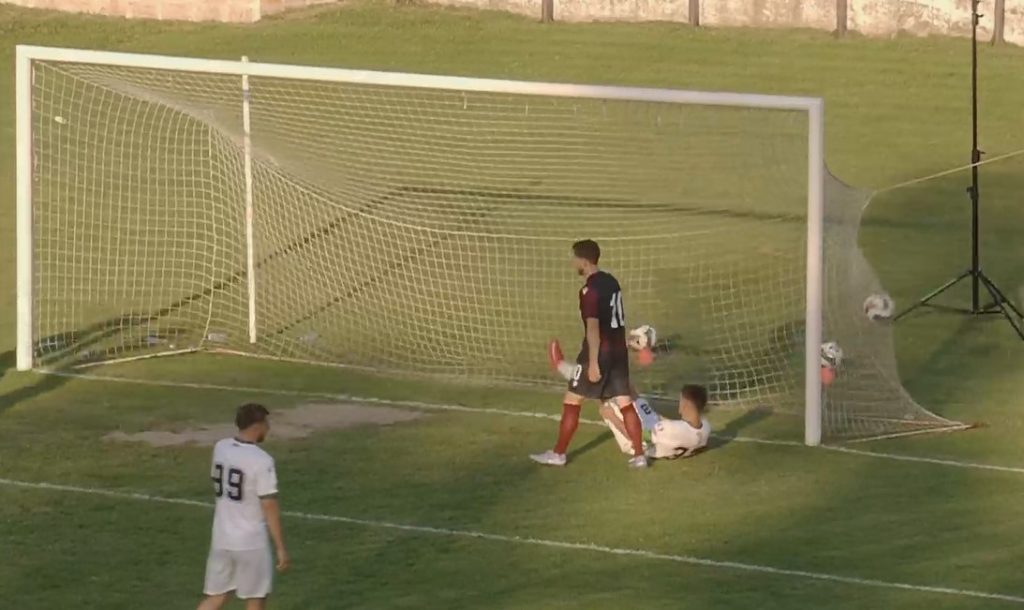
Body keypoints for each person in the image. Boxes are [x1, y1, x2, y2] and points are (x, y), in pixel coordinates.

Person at [530, 239, 648, 469]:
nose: (572, 263)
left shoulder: (589, 291)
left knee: (572, 400)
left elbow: (593, 329)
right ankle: (639, 455)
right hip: (618, 353)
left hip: (599, 352)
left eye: (574, 258)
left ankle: (558, 454)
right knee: (625, 402)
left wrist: (593, 362)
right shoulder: (612, 281)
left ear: (584, 261)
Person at [197, 403, 289, 610]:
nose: (268, 428)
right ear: (257, 426)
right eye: (266, 423)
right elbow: (269, 505)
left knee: (217, 596)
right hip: (250, 541)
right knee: (256, 598)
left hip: (221, 538)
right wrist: (280, 547)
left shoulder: (221, 447)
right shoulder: (262, 460)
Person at [602, 385, 711, 460]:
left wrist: (613, 418)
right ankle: (629, 389)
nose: (679, 403)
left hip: (643, 445)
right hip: (666, 436)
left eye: (681, 400)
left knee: (610, 407)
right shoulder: (705, 427)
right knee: (639, 403)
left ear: (686, 404)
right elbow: (669, 425)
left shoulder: (670, 429)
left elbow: (636, 437)